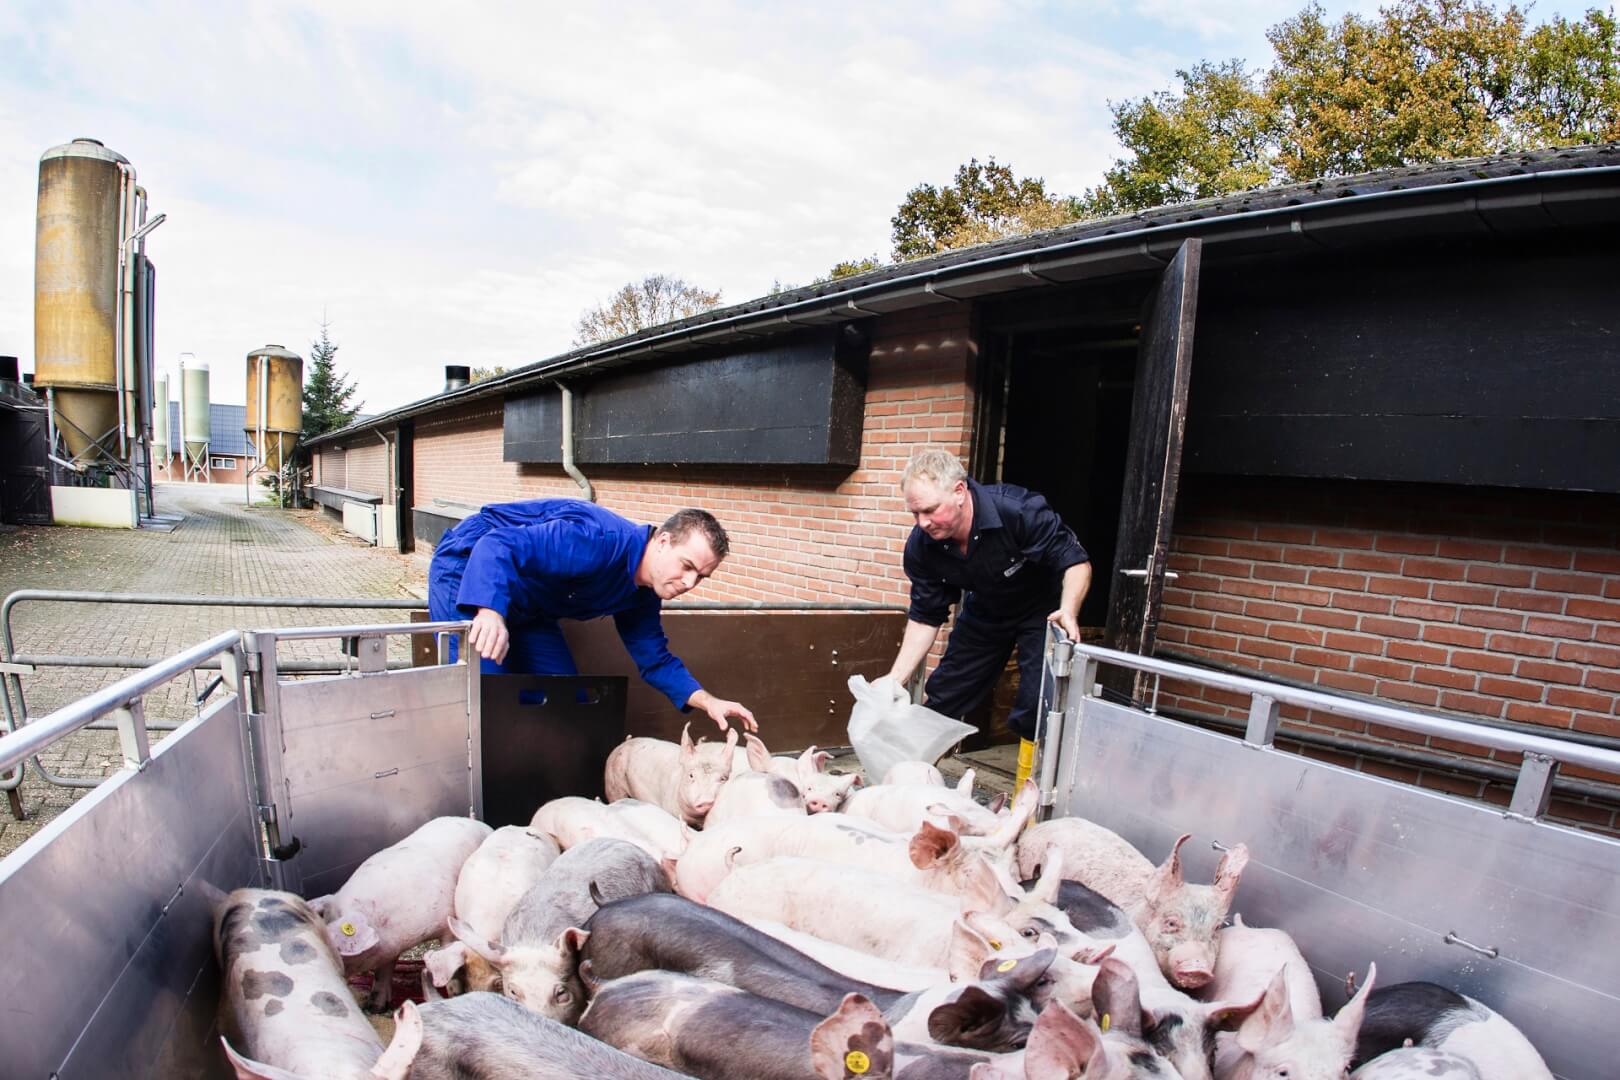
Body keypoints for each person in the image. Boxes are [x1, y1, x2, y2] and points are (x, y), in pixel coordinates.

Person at [428, 499, 756, 734]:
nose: (689, 583)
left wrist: (708, 701)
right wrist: (488, 609)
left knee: (567, 699)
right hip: (471, 564)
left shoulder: (643, 594)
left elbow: (654, 660)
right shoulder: (595, 541)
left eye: (700, 577)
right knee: (487, 699)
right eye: (686, 566)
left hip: (532, 601)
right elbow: (496, 544)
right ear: (663, 541)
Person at [886, 448, 1091, 791]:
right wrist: (895, 678)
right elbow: (926, 615)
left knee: (1037, 702)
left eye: (930, 510)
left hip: (1043, 610)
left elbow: (1075, 561)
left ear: (959, 492)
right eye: (915, 513)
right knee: (945, 695)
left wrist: (1068, 610)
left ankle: (1027, 805)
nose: (922, 522)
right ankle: (909, 788)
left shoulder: (1018, 510)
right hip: (986, 609)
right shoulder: (922, 546)